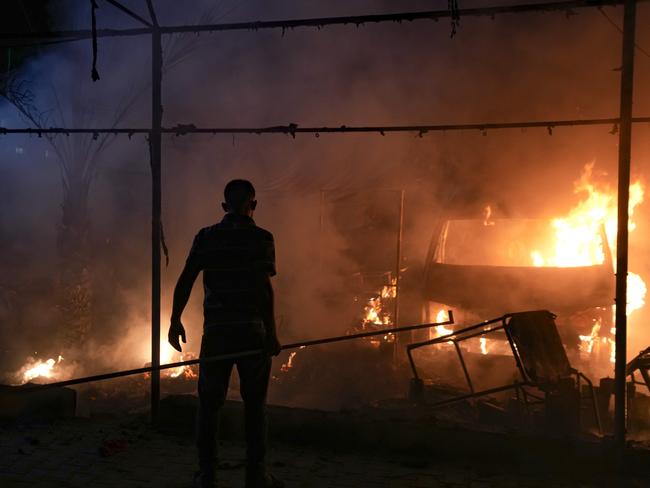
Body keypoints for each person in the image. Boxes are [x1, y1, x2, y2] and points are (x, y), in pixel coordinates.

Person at [168, 179, 283, 488]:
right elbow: (264, 288)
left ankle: (207, 473)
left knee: (209, 404)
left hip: (217, 333)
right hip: (252, 332)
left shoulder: (206, 237)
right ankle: (256, 474)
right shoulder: (262, 238)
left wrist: (174, 320)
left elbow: (186, 278)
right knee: (255, 404)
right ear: (253, 205)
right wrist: (272, 332)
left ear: (224, 206)